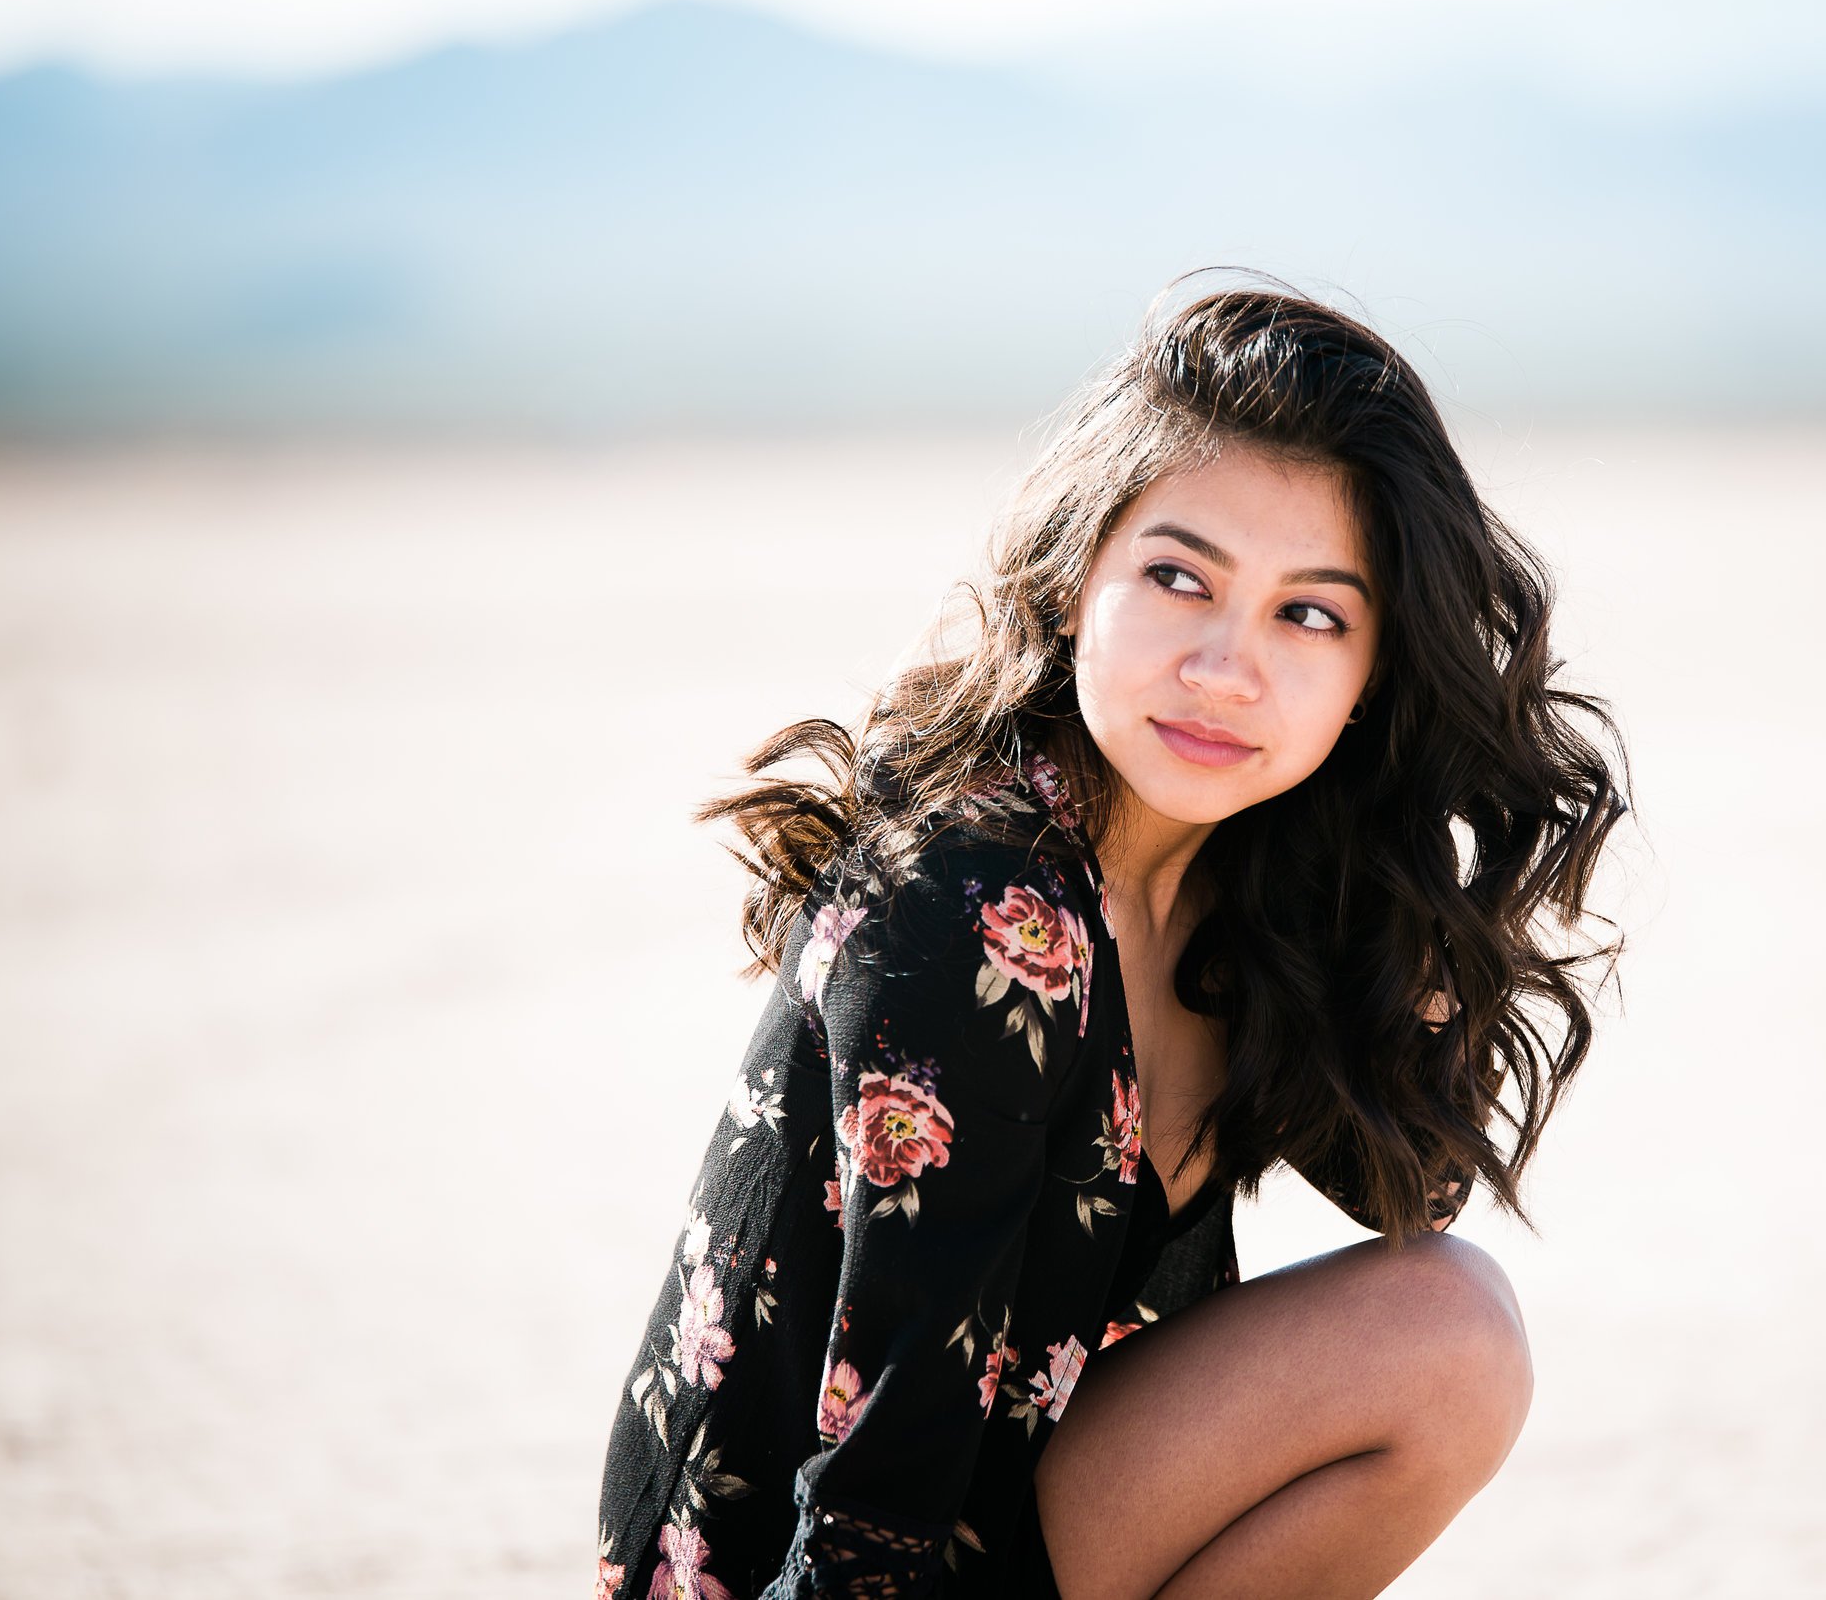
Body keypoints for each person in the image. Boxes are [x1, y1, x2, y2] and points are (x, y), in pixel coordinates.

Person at [596, 277, 1633, 1600]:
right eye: (1179, 579)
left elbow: (1407, 1186)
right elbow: (877, 1469)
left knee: (1455, 1336)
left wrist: (1400, 846)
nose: (1225, 664)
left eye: (1309, 613)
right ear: (1077, 578)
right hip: (814, 1568)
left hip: (1001, 1512)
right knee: (1451, 1333)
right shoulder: (978, 905)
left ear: (1375, 675)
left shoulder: (1245, 886)